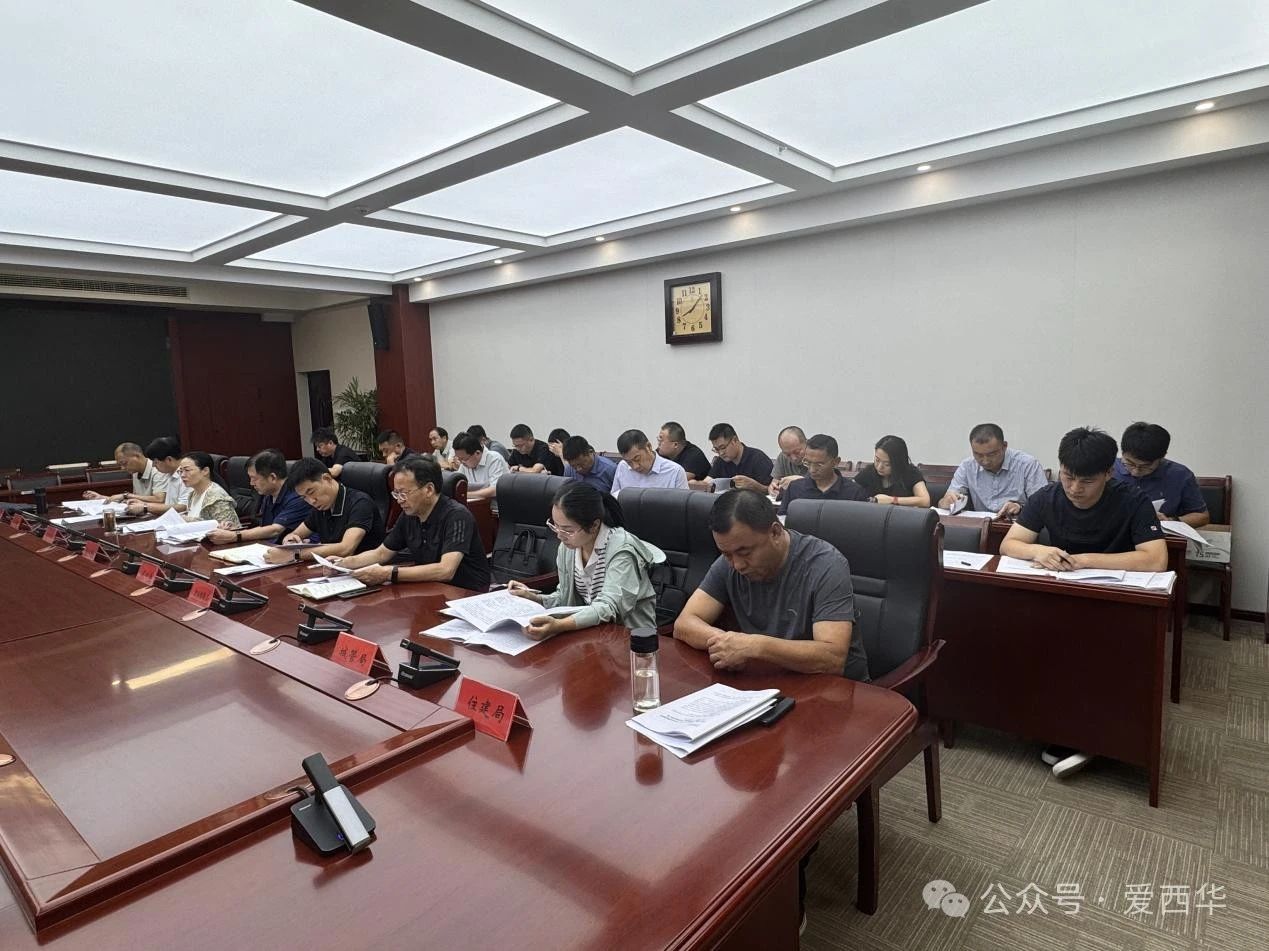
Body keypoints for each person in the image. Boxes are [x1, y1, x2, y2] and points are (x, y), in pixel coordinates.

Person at [1000, 426, 1167, 780]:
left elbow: (1155, 559)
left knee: (1098, 656)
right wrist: (1039, 550)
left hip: (1116, 601)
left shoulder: (1131, 500)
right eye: (1068, 476)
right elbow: (1009, 544)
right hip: (1063, 597)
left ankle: (1094, 735)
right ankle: (1059, 726)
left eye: (1086, 481)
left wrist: (1086, 560)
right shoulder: (1048, 496)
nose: (1075, 488)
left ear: (1109, 473)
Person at [675, 489, 869, 680]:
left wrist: (755, 646)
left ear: (775, 532)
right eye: (726, 554)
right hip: (767, 681)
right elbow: (684, 623)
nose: (737, 565)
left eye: (745, 552)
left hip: (835, 688)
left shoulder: (826, 564)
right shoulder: (730, 562)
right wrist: (729, 643)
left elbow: (832, 659)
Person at [508, 483, 665, 639]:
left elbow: (609, 607)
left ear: (594, 525)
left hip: (630, 637)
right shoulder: (568, 548)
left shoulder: (622, 551)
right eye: (555, 526)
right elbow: (565, 597)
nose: (559, 536)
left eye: (568, 530)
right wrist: (534, 598)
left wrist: (559, 625)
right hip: (594, 633)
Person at [329, 455, 490, 591]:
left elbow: (446, 570)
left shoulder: (457, 515)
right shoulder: (409, 514)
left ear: (429, 490)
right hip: (430, 588)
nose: (399, 500)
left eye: (403, 493)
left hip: (466, 594)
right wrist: (344, 563)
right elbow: (381, 553)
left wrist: (389, 573)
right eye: (396, 494)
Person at [264, 458, 385, 564]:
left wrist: (294, 554)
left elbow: (346, 548)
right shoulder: (321, 506)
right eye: (304, 497)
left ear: (327, 478)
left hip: (365, 571)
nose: (311, 501)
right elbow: (296, 534)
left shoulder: (360, 503)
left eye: (311, 492)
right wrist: (290, 541)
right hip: (332, 569)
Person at [1112, 422, 1210, 528]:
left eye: (1145, 466)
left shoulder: (1180, 475)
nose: (1135, 471)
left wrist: (1170, 521)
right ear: (1122, 452)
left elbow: (1202, 516)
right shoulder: (1107, 469)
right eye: (1129, 463)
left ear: (1162, 457)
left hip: (1159, 534)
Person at [938, 423, 1048, 517]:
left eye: (991, 454)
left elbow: (1044, 506)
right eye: (978, 455)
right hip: (981, 527)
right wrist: (946, 502)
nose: (985, 461)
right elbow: (943, 502)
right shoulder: (967, 466)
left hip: (1019, 525)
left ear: (1004, 446)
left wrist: (1019, 508)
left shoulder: (1027, 465)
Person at [207, 449, 310, 545]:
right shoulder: (268, 494)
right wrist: (235, 529)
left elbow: (275, 530)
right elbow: (263, 526)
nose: (251, 483)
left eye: (254, 478)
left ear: (272, 477)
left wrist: (235, 535)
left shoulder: (297, 497)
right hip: (266, 546)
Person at [778, 434, 868, 515]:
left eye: (819, 464)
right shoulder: (795, 488)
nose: (812, 470)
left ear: (836, 462)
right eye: (807, 463)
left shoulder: (854, 493)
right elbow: (783, 519)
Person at [854, 435, 930, 507]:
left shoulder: (911, 473)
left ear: (898, 463)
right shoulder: (869, 471)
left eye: (887, 464)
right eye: (877, 460)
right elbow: (851, 487)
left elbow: (925, 501)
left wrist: (892, 500)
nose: (879, 467)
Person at [83, 441, 171, 504]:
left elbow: (159, 499)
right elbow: (135, 500)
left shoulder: (158, 470)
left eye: (124, 463)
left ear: (137, 456)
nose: (122, 468)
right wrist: (103, 498)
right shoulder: (135, 473)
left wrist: (126, 495)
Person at [697, 423, 773, 493]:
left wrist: (755, 486)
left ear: (734, 440)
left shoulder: (758, 459)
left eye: (723, 447)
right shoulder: (720, 460)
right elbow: (708, 481)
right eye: (716, 449)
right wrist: (698, 485)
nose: (721, 453)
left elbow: (773, 491)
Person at [124, 436, 191, 517]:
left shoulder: (187, 474)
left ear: (169, 460)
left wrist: (145, 507)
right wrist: (142, 504)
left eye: (155, 462)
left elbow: (183, 507)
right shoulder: (169, 474)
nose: (153, 465)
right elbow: (168, 505)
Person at [610, 429, 689, 495]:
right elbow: (615, 497)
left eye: (637, 459)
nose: (635, 466)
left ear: (648, 447)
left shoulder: (675, 472)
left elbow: (683, 505)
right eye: (629, 462)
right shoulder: (623, 466)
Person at [178, 452, 239, 527]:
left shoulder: (217, 498)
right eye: (180, 471)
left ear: (205, 471)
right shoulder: (193, 493)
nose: (182, 475)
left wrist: (189, 521)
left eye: (187, 470)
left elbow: (229, 529)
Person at [452, 431, 511, 507]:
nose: (461, 462)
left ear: (477, 453)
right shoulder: (464, 464)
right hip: (476, 506)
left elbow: (495, 490)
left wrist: (466, 495)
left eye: (464, 459)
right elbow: (456, 482)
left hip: (498, 507)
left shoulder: (494, 459)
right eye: (459, 459)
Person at [770, 426, 809, 496]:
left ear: (806, 443)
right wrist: (773, 488)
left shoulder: (818, 455)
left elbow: (825, 486)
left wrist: (801, 481)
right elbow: (775, 482)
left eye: (797, 452)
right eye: (788, 454)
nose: (794, 458)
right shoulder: (782, 457)